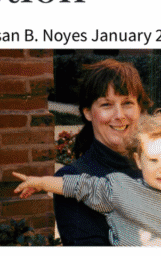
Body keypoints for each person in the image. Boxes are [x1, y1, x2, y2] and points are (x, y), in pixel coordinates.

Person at [15, 111, 161, 246]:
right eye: (153, 160)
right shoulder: (121, 190)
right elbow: (79, 186)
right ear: (138, 161)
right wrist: (41, 182)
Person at [54, 59, 151, 245]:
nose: (119, 115)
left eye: (127, 103)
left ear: (140, 108)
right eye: (106, 105)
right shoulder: (71, 180)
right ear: (88, 112)